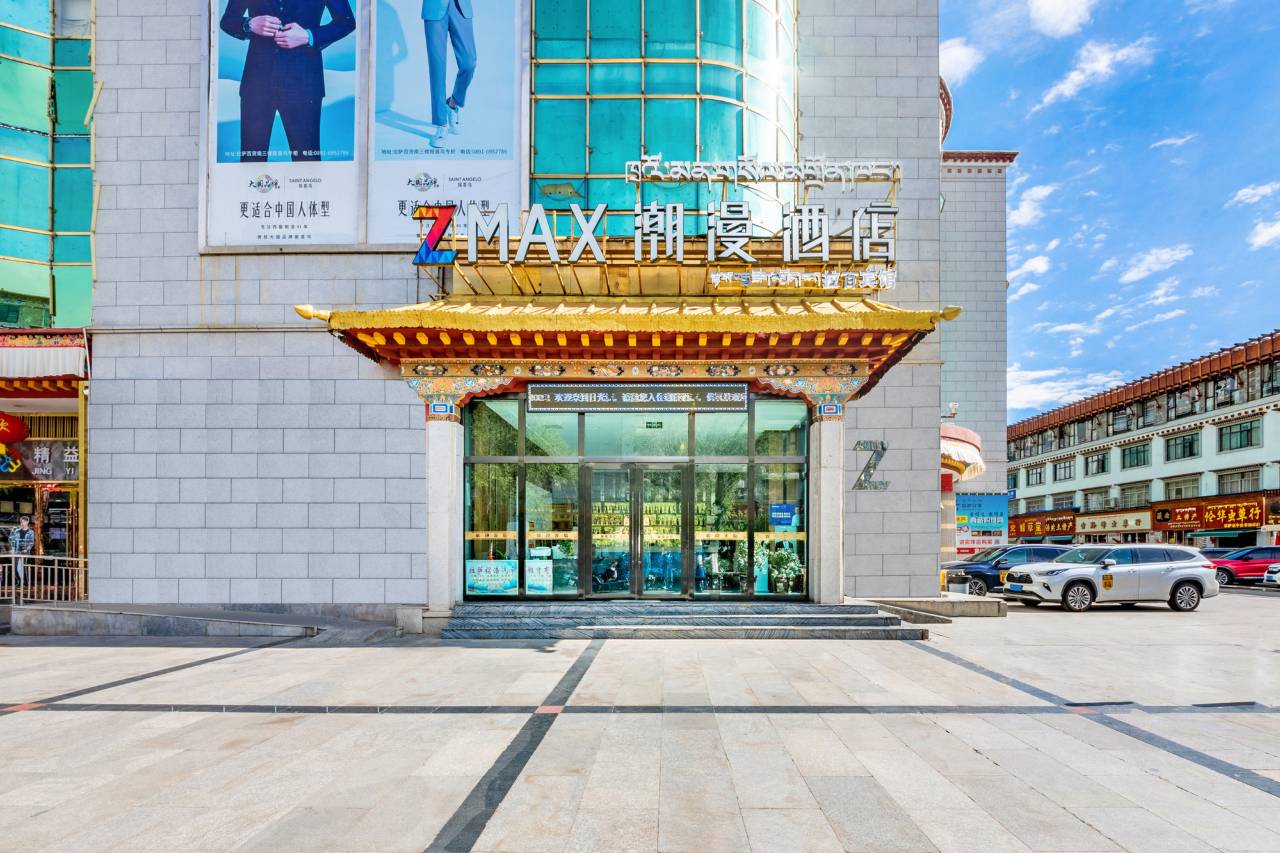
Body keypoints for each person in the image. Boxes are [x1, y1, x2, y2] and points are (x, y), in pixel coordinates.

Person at [219, 0, 356, 162]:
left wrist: (308, 36)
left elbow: (346, 21)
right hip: (257, 82)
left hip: (304, 83)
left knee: (307, 160)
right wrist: (248, 24)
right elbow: (228, 20)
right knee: (251, 160)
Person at [421, 0, 476, 148]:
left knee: (469, 63)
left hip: (461, 7)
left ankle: (452, 103)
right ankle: (441, 125)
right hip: (434, 7)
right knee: (437, 68)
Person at [9, 515, 34, 587]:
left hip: (25, 552)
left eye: (23, 522)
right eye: (21, 522)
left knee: (24, 567)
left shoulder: (30, 532)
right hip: (17, 551)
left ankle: (26, 582)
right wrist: (13, 547)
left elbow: (31, 542)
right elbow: (11, 539)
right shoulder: (16, 530)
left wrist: (27, 549)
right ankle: (19, 581)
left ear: (27, 522)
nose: (22, 523)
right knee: (14, 567)